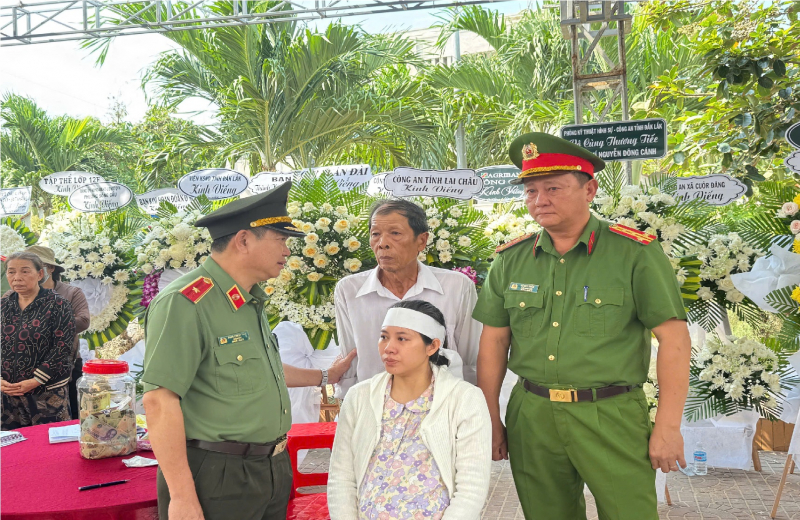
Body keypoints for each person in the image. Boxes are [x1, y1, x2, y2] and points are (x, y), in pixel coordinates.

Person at [472, 132, 691, 520]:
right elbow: (493, 342)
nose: (540, 200)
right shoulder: (511, 259)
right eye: (531, 191)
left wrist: (668, 426)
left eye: (553, 188)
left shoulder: (634, 253)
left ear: (589, 189)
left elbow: (673, 339)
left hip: (610, 414)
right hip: (533, 414)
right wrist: (490, 415)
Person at [141, 181, 357, 520]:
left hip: (270, 468)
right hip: (218, 475)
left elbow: (264, 371)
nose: (287, 251)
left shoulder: (248, 299)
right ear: (243, 240)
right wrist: (182, 498)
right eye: (281, 240)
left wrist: (326, 375)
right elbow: (159, 400)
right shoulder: (186, 303)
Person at [328, 299, 491, 520]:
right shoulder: (360, 397)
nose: (388, 348)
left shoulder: (465, 399)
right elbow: (341, 475)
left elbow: (472, 487)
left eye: (402, 339)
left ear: (432, 346)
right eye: (384, 337)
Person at [334, 199, 481, 397]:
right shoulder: (349, 290)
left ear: (421, 240)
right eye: (375, 234)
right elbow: (351, 358)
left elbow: (470, 359)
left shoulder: (456, 287)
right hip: (373, 404)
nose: (382, 243)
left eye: (395, 234)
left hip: (442, 405)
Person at [3, 246, 90, 420]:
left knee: (47, 442)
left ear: (41, 274)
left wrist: (36, 380)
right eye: (11, 272)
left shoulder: (59, 304)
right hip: (7, 392)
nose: (17, 277)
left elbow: (61, 348)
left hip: (46, 391)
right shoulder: (4, 304)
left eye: (25, 271)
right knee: (11, 444)